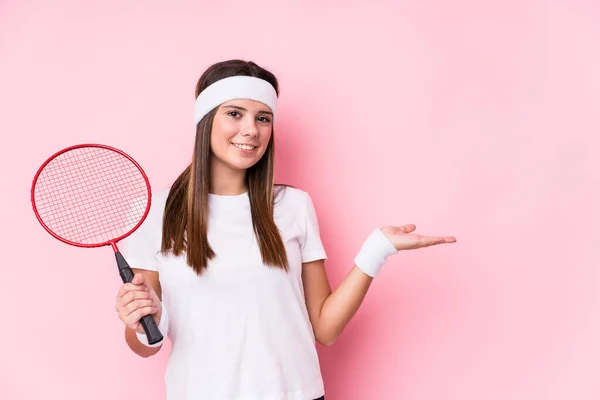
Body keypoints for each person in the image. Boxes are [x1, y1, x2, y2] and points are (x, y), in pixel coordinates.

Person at [114, 59, 457, 400]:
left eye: (263, 118)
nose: (251, 129)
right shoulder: (155, 213)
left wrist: (377, 249)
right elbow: (146, 346)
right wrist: (143, 320)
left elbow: (325, 328)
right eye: (235, 113)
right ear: (205, 121)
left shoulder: (293, 205)